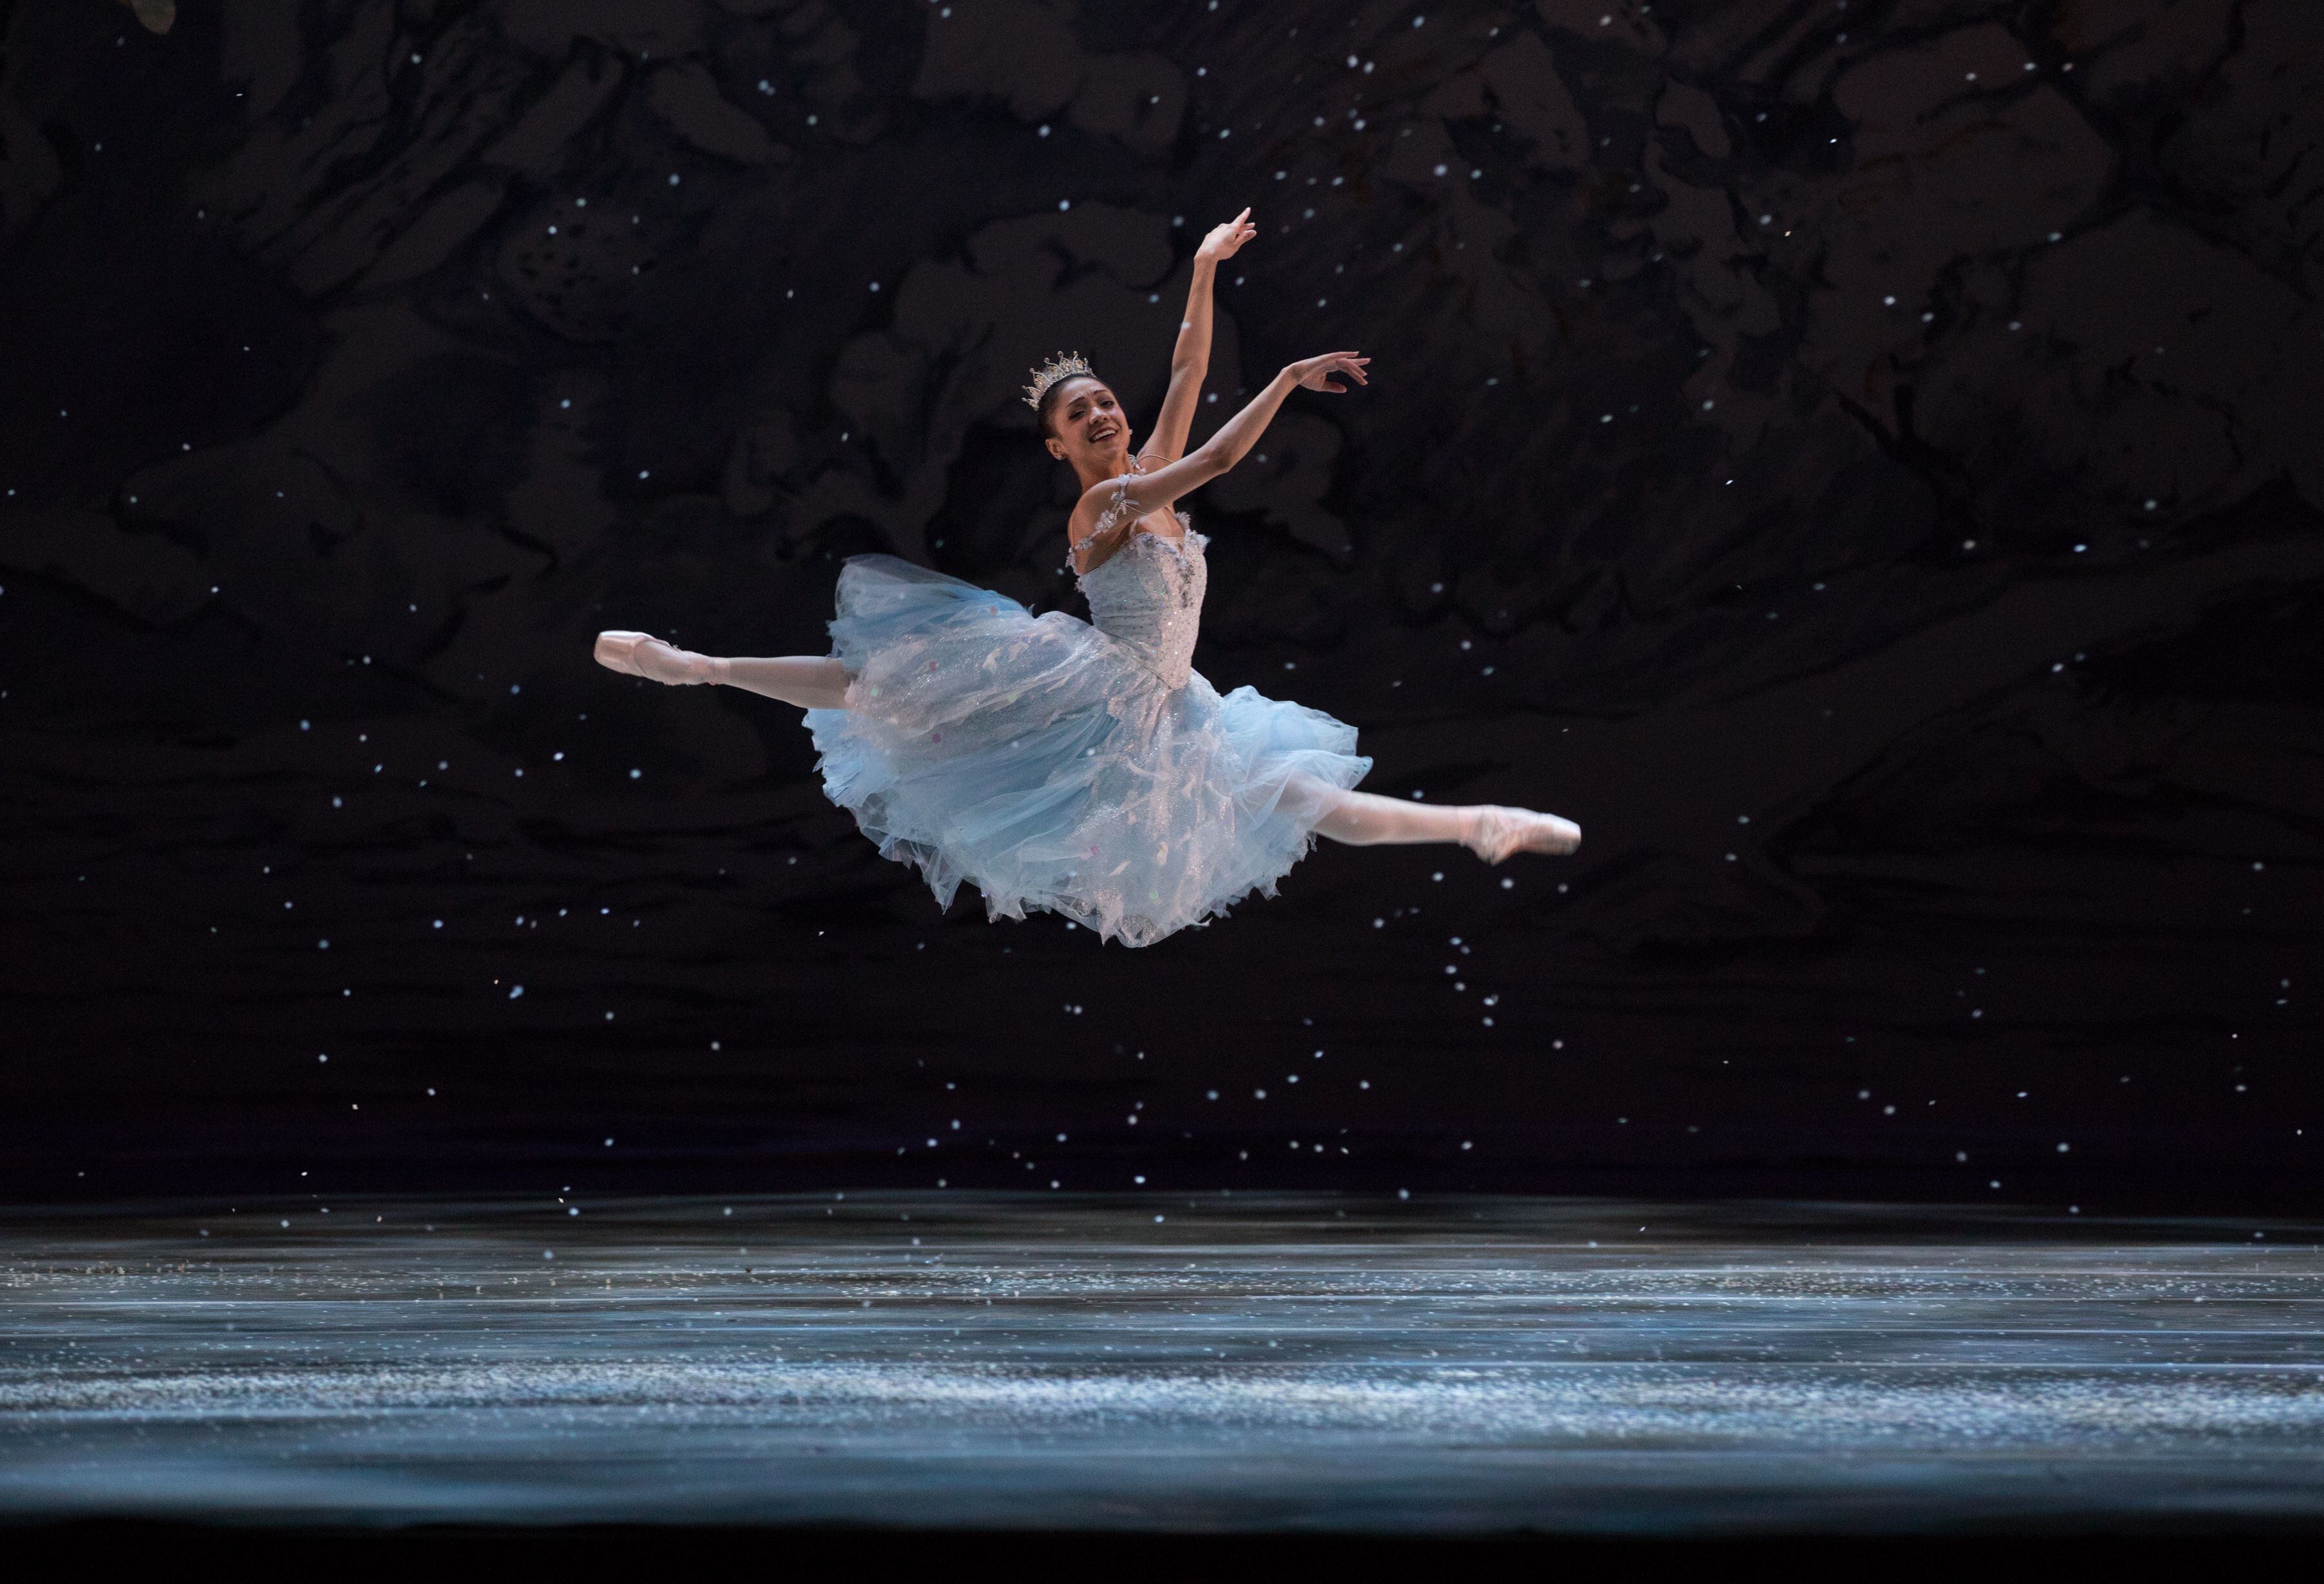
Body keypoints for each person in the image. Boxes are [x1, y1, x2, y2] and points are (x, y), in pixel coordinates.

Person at [596, 209, 1580, 946]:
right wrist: (1284, 380)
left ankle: (1477, 825)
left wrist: (1203, 269)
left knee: (1299, 793)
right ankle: (696, 665)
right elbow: (1217, 461)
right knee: (880, 689)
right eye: (1081, 415)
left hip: (1177, 709)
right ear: (1059, 446)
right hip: (1090, 690)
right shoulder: (1105, 506)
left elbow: (1188, 372)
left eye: (1106, 400)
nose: (1103, 413)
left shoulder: (1147, 474)